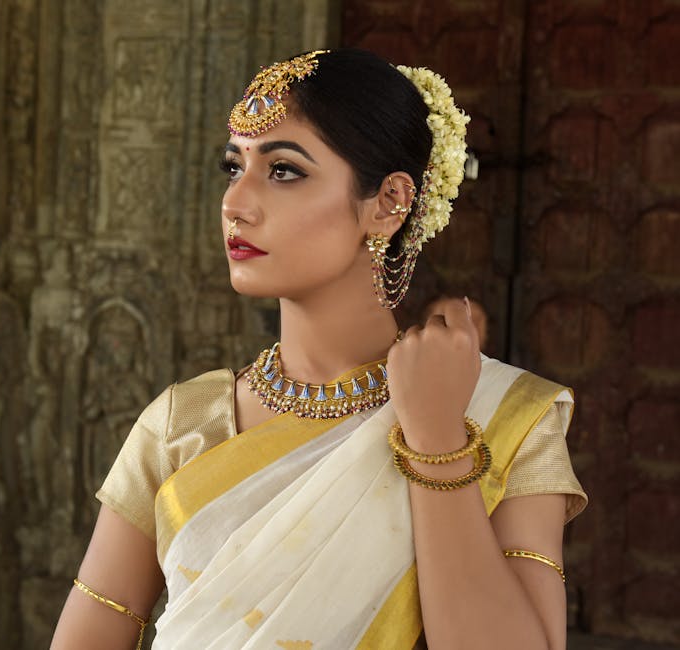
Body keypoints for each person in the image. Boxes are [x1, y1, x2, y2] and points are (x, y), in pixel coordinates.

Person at [50, 48, 586, 650]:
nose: (235, 202)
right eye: (234, 167)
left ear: (389, 202)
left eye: (283, 171)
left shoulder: (504, 418)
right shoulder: (183, 425)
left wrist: (437, 442)